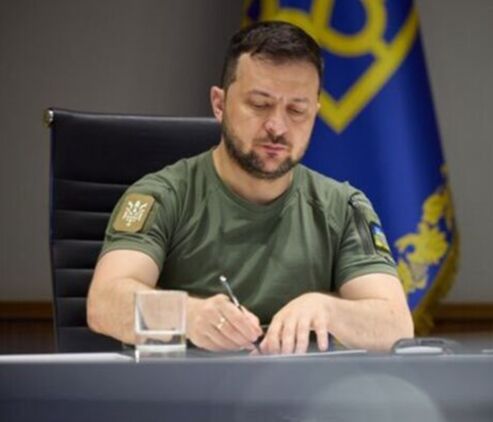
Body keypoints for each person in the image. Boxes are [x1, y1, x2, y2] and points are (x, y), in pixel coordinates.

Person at [86, 21, 413, 354]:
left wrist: (327, 309)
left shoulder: (342, 208)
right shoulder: (163, 196)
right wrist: (189, 315)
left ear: (315, 113)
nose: (277, 127)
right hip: (189, 384)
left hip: (301, 386)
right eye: (259, 104)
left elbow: (396, 326)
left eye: (297, 110)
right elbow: (104, 304)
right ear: (219, 104)